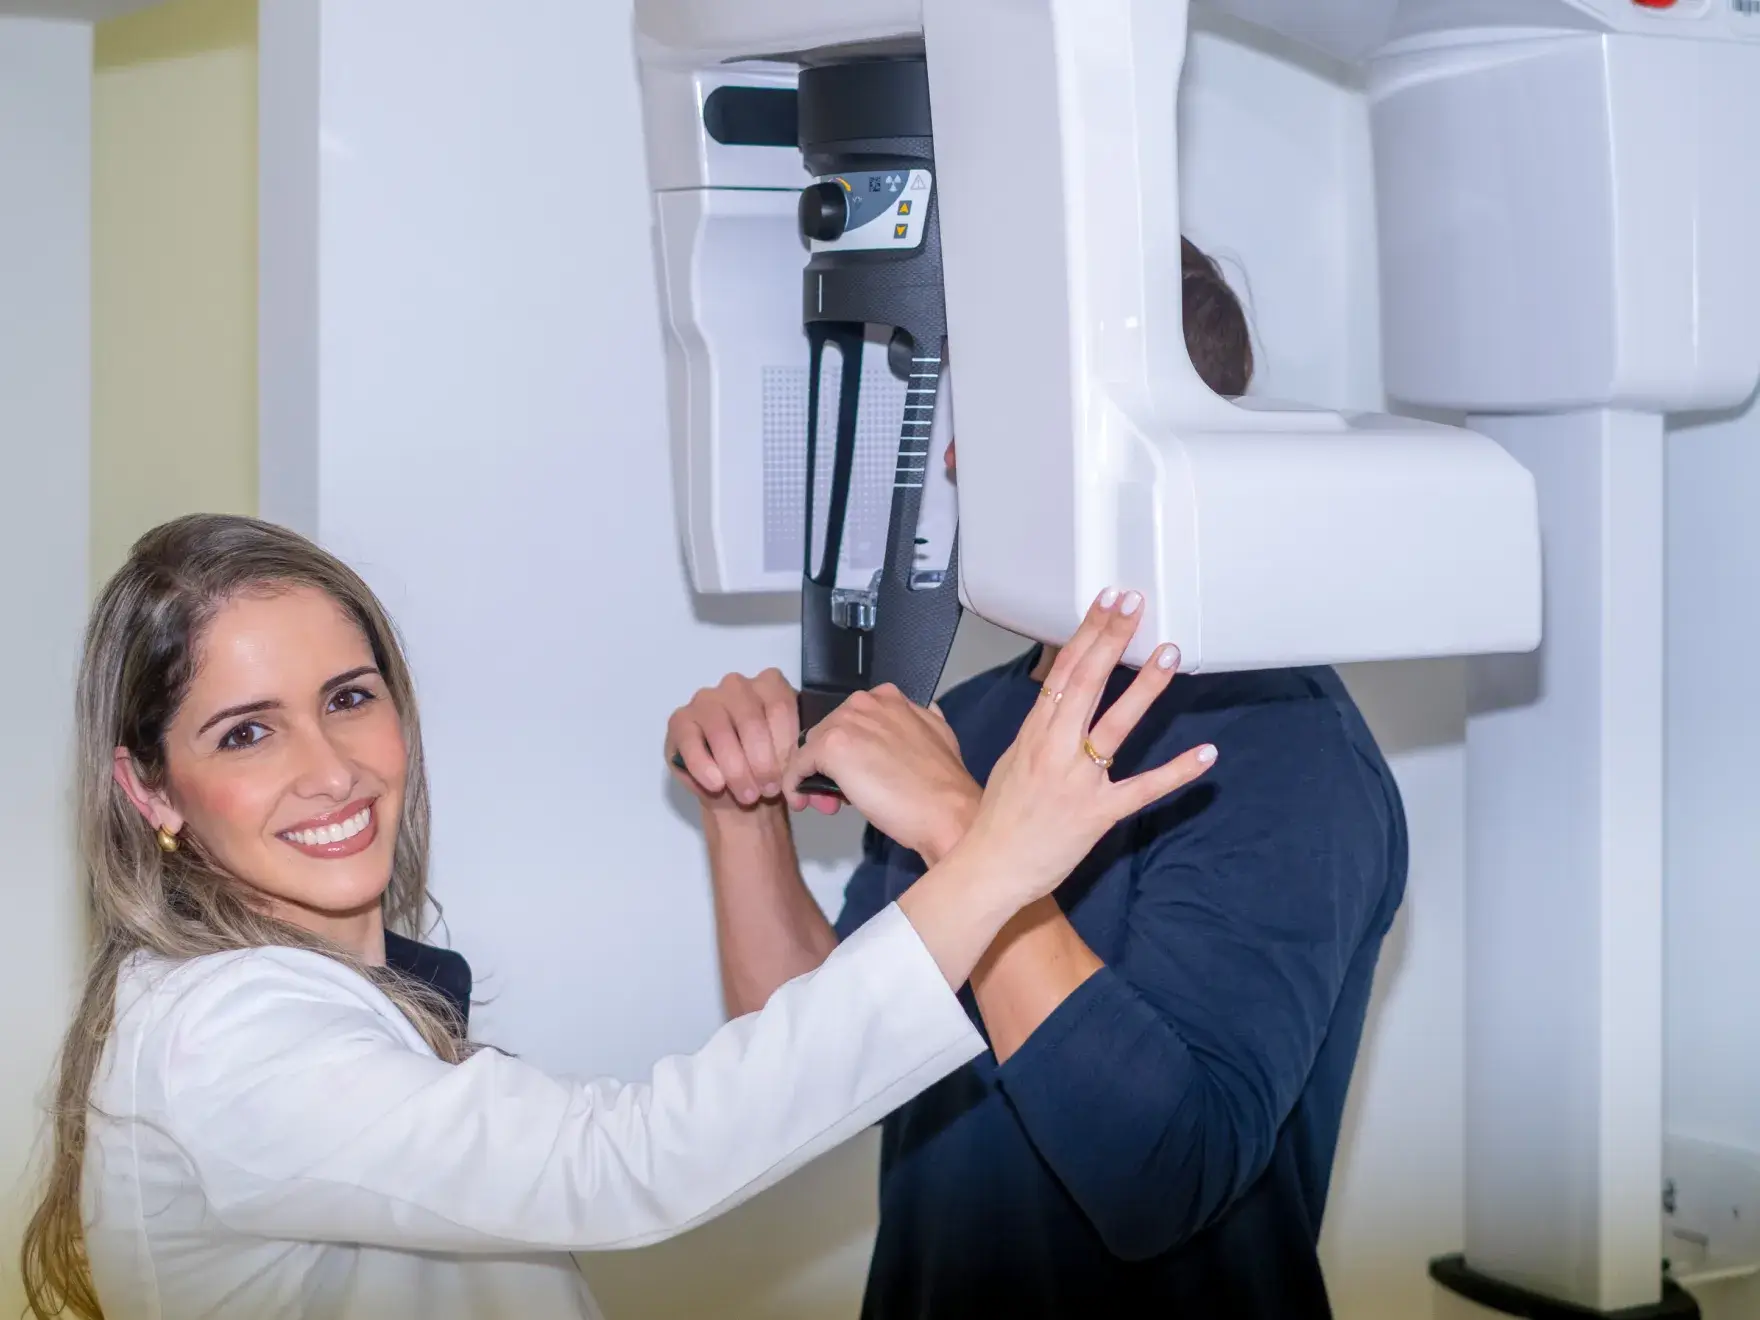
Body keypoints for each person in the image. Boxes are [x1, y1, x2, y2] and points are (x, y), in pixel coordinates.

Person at [19, 514, 1216, 1320]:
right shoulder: (224, 1040)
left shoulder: (307, 994)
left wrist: (745, 820)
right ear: (149, 789)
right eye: (246, 732)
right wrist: (988, 854)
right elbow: (625, 1165)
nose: (330, 770)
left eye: (348, 698)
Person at [666, 236, 1408, 1318]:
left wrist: (958, 826)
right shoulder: (975, 719)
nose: (953, 462)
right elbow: (811, 1069)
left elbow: (1159, 1179)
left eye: (1000, 423)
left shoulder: (1281, 747)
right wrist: (741, 814)